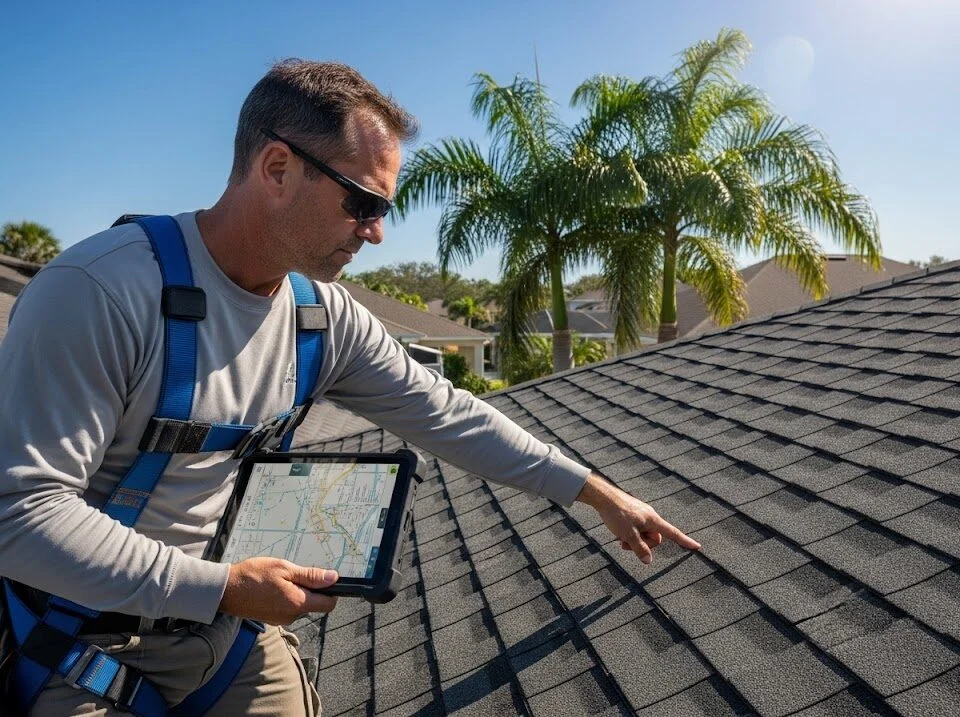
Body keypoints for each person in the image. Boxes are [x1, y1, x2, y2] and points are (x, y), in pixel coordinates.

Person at [0, 59, 701, 716]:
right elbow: (22, 514)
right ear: (276, 167)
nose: (376, 232)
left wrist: (596, 490)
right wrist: (224, 585)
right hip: (77, 633)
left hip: (223, 628)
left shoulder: (320, 320)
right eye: (363, 202)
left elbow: (449, 414)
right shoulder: (102, 291)